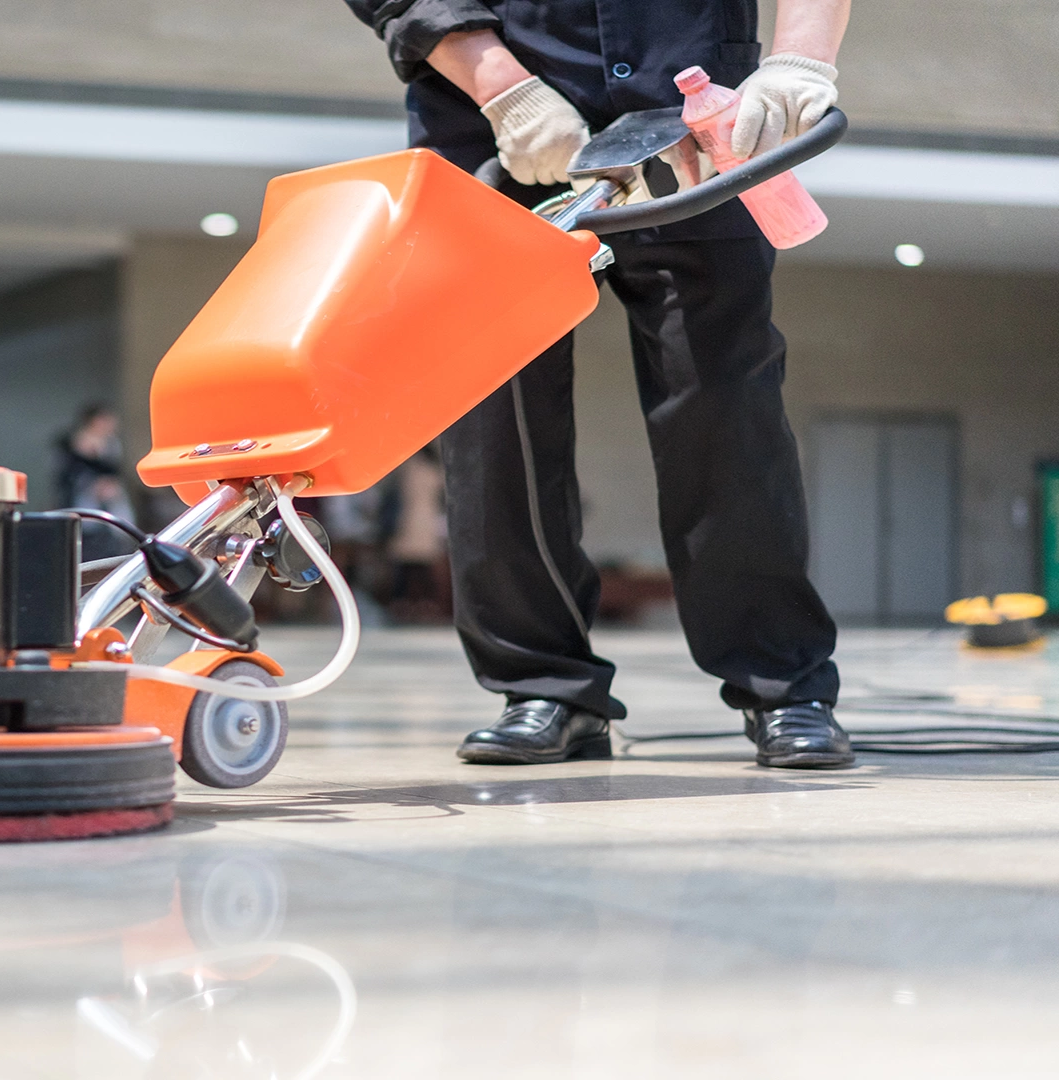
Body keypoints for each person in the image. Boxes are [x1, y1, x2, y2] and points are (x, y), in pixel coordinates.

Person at [345, 0, 853, 768]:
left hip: (697, 119)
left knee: (725, 406)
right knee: (499, 422)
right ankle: (546, 689)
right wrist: (495, 80)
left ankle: (784, 685)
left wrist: (802, 56)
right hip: (494, 127)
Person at [54, 404, 138, 558]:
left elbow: (114, 469)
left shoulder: (112, 443)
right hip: (82, 497)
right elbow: (67, 474)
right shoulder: (73, 442)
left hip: (109, 496)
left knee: (116, 532)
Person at [382, 446, 450, 622]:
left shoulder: (407, 464)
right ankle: (425, 605)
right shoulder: (433, 466)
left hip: (413, 518)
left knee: (412, 566)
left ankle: (412, 605)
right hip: (422, 518)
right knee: (419, 566)